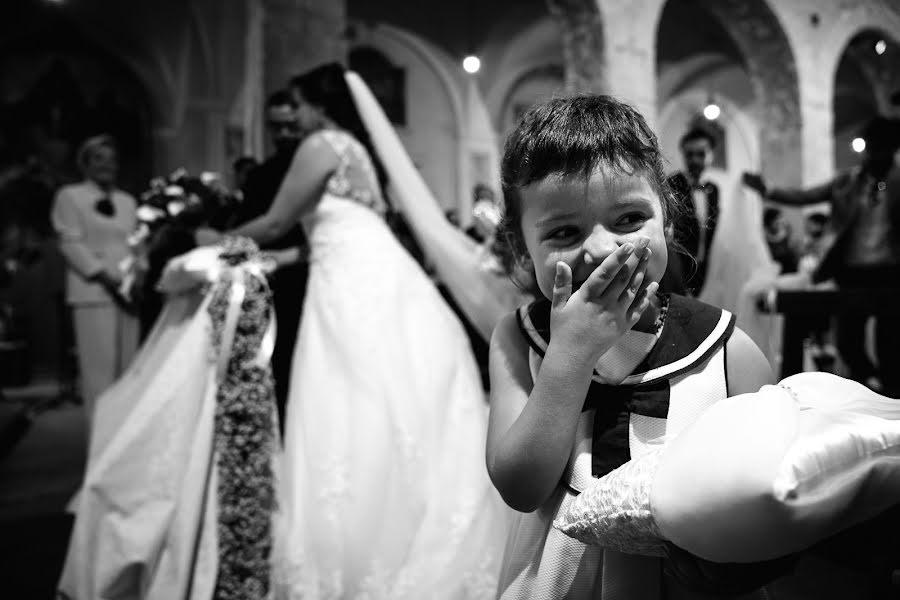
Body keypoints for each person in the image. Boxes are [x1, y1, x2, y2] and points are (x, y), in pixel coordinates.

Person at [197, 63, 507, 598]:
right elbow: (325, 234)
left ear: (319, 105)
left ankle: (361, 550)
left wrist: (212, 237)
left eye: (297, 104)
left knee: (350, 400)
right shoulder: (359, 153)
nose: (294, 116)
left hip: (349, 288)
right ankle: (403, 527)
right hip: (383, 278)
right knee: (391, 398)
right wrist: (275, 257)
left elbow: (275, 221)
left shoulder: (321, 144)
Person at [487, 95, 774, 599]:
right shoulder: (518, 339)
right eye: (564, 231)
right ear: (520, 247)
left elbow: (768, 488)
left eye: (628, 219)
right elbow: (520, 486)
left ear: (666, 220)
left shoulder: (727, 349)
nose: (602, 248)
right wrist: (571, 355)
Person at [742, 116, 900, 395]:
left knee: (891, 342)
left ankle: (891, 399)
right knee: (848, 342)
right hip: (852, 272)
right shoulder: (847, 183)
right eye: (872, 150)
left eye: (883, 150)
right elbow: (804, 196)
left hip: (891, 274)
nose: (876, 156)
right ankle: (870, 383)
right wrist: (768, 189)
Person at [227, 90, 309, 430]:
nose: (284, 134)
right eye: (276, 127)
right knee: (278, 365)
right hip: (272, 283)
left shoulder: (315, 167)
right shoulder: (261, 175)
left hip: (310, 275)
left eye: (291, 125)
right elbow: (252, 225)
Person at [50, 134, 139, 440]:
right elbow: (70, 243)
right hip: (94, 294)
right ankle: (100, 449)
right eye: (98, 159)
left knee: (128, 372)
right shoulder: (70, 196)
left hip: (127, 294)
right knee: (99, 377)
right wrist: (104, 276)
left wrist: (135, 277)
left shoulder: (127, 201)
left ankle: (122, 450)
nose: (106, 165)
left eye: (111, 159)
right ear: (85, 163)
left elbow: (135, 243)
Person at [664, 127, 721, 296]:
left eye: (701, 154)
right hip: (679, 266)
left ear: (711, 154)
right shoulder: (672, 184)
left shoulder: (714, 189)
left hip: (706, 266)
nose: (695, 160)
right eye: (690, 154)